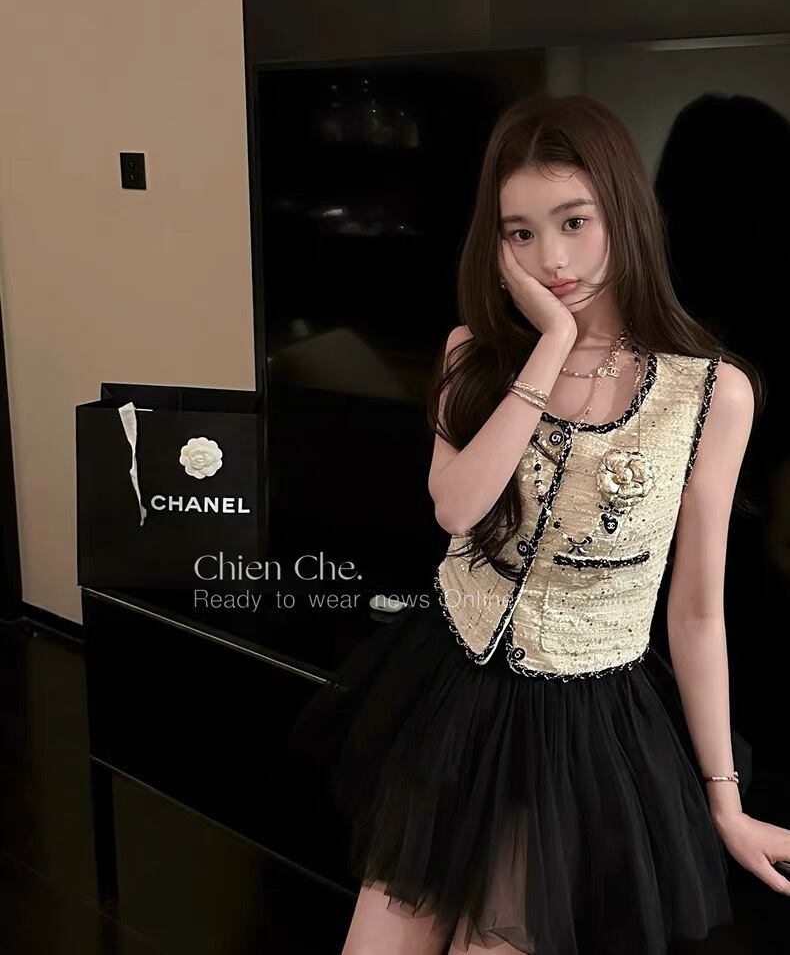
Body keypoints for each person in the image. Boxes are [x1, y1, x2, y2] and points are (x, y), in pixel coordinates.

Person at [289, 93, 790, 955]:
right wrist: (552, 341)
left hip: (581, 725)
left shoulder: (710, 391)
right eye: (520, 232)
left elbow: (696, 610)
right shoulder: (473, 353)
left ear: (623, 216)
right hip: (452, 689)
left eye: (574, 221)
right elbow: (456, 508)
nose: (551, 258)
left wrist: (725, 800)